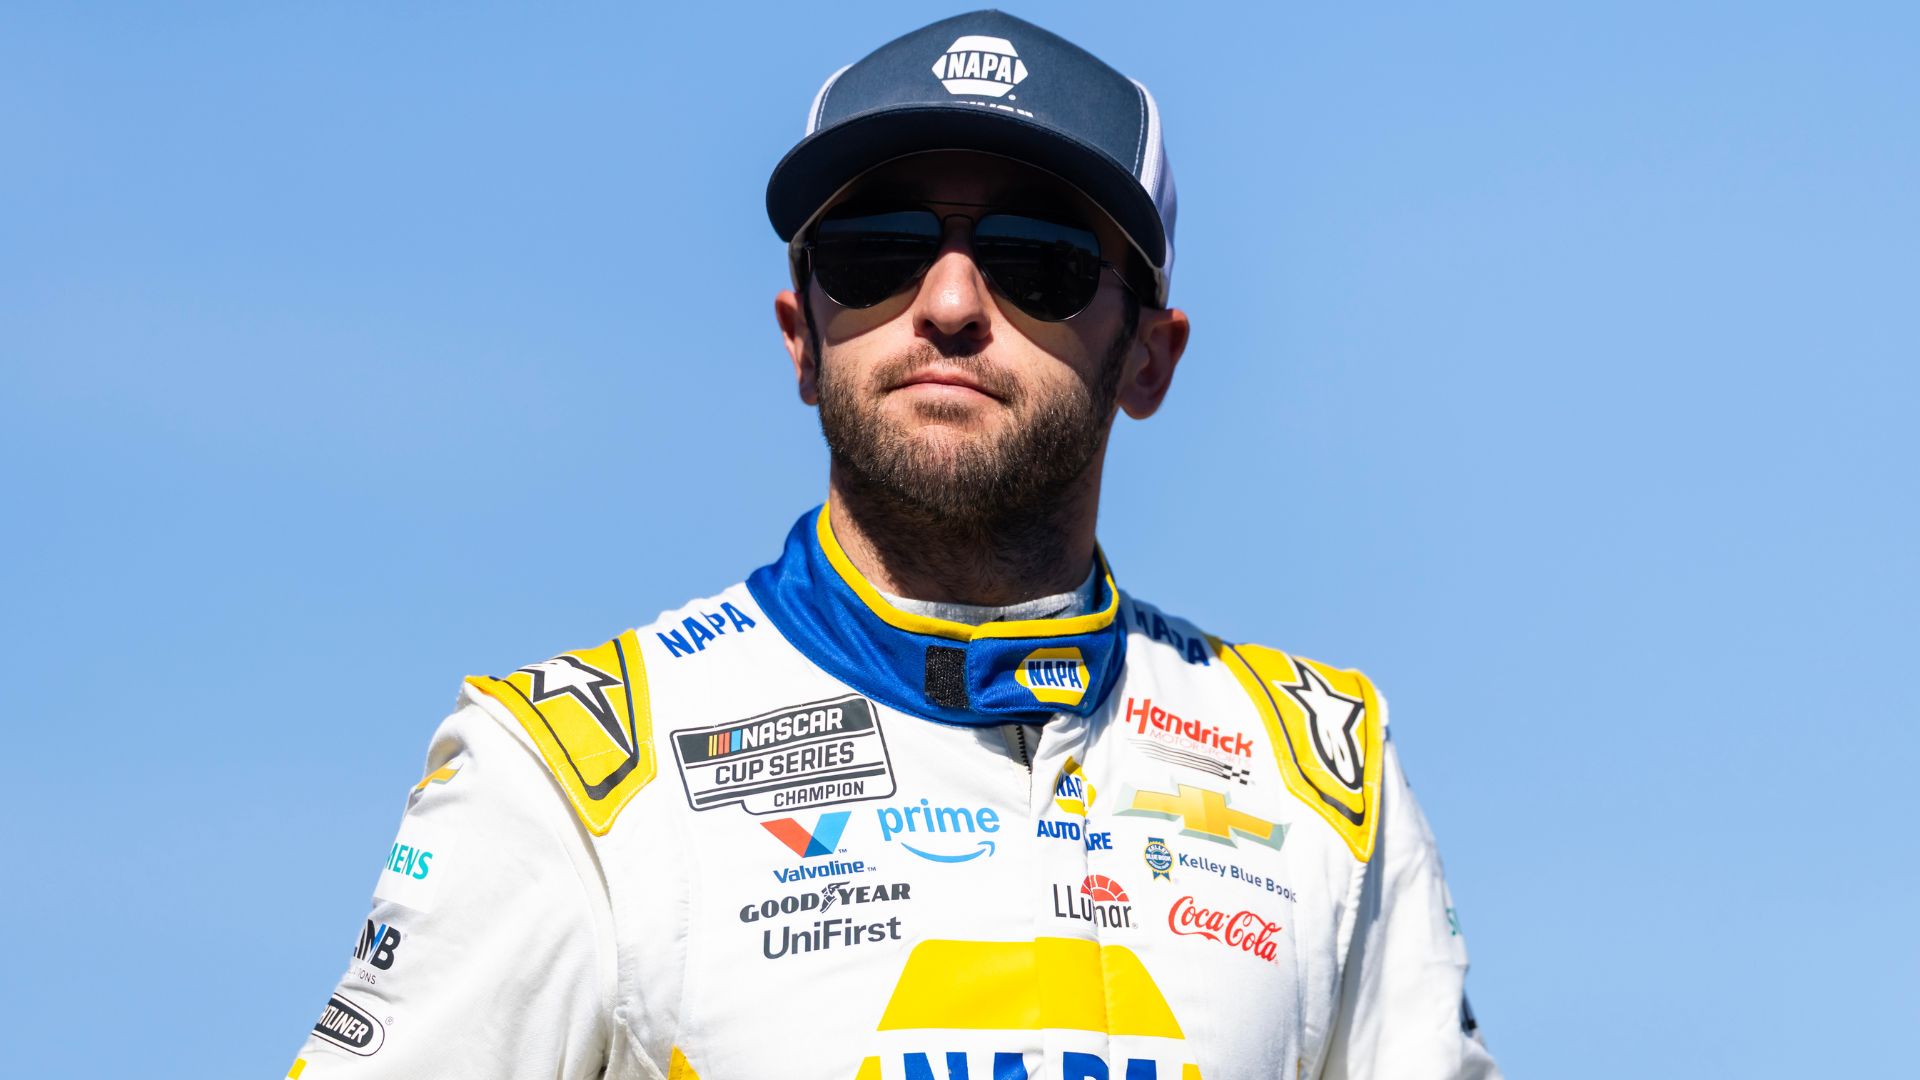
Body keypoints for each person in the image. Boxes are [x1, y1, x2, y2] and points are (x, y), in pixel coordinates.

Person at [286, 11, 1499, 1080]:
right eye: (877, 248)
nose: (953, 304)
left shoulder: (1321, 776)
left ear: (1150, 357)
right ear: (800, 335)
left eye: (1039, 260)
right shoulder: (570, 776)